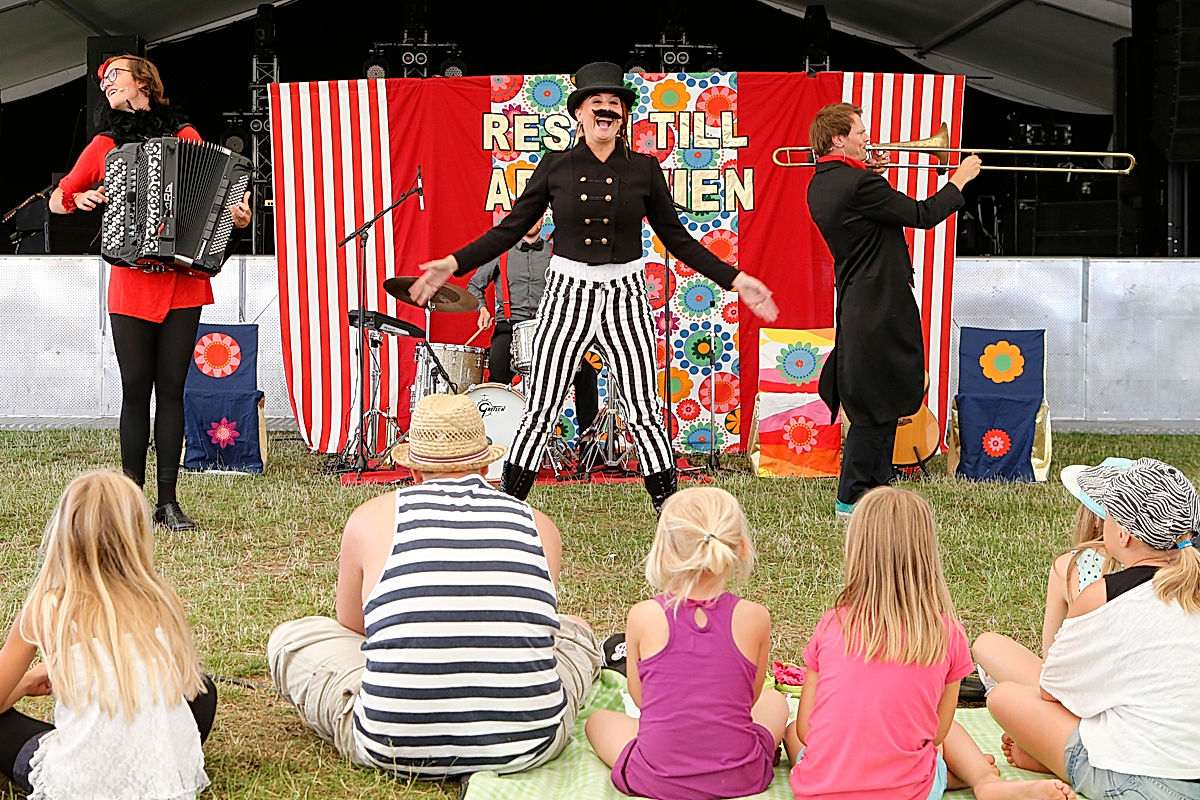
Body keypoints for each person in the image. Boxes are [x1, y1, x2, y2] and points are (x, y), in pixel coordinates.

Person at [411, 61, 779, 512]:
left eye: (614, 104)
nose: (605, 110)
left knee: (643, 409)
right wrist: (452, 263)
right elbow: (508, 230)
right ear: (580, 114)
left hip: (625, 293)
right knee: (542, 406)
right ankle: (507, 509)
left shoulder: (644, 169)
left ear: (624, 115)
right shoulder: (555, 166)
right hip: (567, 292)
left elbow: (677, 239)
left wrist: (736, 279)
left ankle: (669, 510)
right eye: (596, 102)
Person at [267, 392, 602, 778]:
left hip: (389, 744)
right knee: (574, 632)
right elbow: (534, 627)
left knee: (291, 639)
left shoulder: (370, 517)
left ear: (412, 470)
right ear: (485, 464)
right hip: (529, 745)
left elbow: (354, 628)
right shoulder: (539, 525)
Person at [49, 54, 252, 531]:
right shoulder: (103, 144)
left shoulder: (185, 137)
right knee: (136, 390)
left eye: (112, 75)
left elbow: (220, 201)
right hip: (131, 282)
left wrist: (237, 217)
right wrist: (77, 199)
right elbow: (58, 198)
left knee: (175, 391)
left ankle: (167, 502)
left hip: (184, 282)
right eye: (101, 81)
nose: (105, 84)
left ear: (142, 80)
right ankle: (130, 504)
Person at [784, 487, 1075, 800]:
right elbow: (936, 733)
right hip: (910, 791)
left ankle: (958, 777)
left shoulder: (831, 624)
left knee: (790, 733)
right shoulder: (946, 634)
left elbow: (805, 730)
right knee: (940, 734)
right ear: (927, 554)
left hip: (822, 791)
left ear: (855, 549)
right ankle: (983, 778)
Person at [986, 457, 1200, 799]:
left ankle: (1057, 760)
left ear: (1123, 533)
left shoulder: (1104, 594)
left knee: (1004, 696)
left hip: (1137, 779)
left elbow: (1051, 692)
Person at [806, 103, 981, 517]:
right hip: (878, 303)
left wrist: (870, 174)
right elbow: (922, 215)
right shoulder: (857, 185)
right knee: (873, 405)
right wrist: (959, 180)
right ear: (838, 139)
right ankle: (852, 497)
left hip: (860, 301)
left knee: (878, 397)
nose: (868, 139)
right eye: (860, 133)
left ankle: (875, 491)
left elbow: (864, 218)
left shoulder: (824, 182)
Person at [0, 470, 216, 798]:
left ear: (64, 532)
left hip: (81, 785)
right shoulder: (161, 598)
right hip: (162, 777)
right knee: (203, 690)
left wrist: (27, 683)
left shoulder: (49, 607)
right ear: (138, 533)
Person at [585, 486, 788, 800]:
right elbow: (749, 699)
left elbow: (642, 701)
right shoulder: (755, 617)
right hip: (741, 776)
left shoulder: (643, 615)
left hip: (656, 778)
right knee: (776, 701)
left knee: (598, 721)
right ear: (741, 549)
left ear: (663, 552)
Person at [972, 458, 1127, 690]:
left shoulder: (1069, 567)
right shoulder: (1174, 568)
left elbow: (1051, 657)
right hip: (1145, 689)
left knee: (987, 645)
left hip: (1081, 691)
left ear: (1095, 517)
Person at [467, 219, 600, 432]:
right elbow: (474, 285)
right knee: (498, 373)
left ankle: (588, 441)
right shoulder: (501, 253)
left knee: (586, 373)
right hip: (509, 327)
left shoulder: (557, 255)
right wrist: (482, 309)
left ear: (542, 220)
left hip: (549, 328)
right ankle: (501, 439)